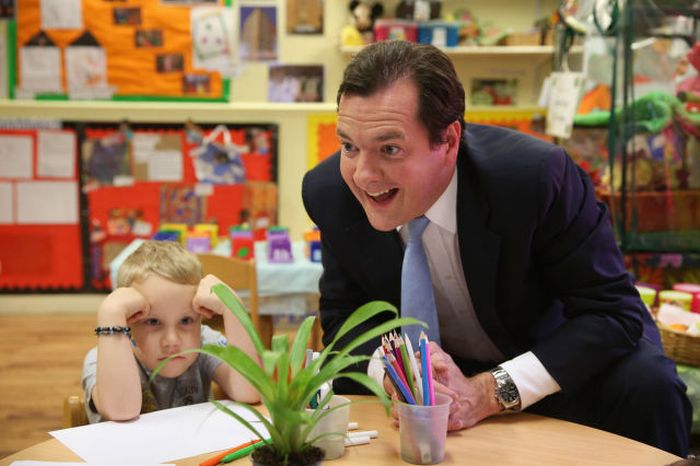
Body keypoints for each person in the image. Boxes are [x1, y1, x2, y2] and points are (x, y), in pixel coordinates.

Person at [301, 40, 691, 456]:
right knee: (336, 377)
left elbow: (612, 312)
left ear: (449, 140)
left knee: (648, 382)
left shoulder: (534, 179)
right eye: (349, 146)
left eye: (390, 149)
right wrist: (399, 378)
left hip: (549, 361)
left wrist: (489, 391)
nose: (363, 174)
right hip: (430, 377)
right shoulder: (330, 193)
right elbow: (346, 320)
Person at [82, 240, 260, 423]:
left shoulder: (205, 343)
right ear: (128, 319)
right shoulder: (100, 359)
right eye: (153, 321)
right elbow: (121, 411)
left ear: (201, 315)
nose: (172, 340)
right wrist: (111, 313)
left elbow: (250, 391)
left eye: (185, 320)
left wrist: (232, 307)